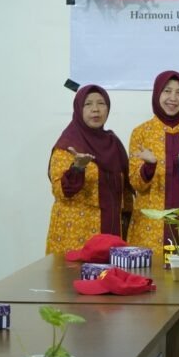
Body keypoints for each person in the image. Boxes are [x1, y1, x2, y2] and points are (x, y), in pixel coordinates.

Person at [127, 71, 179, 255]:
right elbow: (136, 184)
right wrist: (149, 166)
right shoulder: (141, 133)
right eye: (167, 91)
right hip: (151, 226)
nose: (173, 98)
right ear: (157, 93)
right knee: (153, 272)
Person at [46, 85, 132, 254]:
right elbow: (60, 191)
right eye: (88, 104)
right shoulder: (68, 145)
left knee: (110, 271)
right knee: (75, 272)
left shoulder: (113, 143)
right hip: (75, 234)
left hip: (111, 232)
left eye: (101, 103)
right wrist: (77, 168)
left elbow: (126, 190)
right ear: (79, 109)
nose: (95, 109)